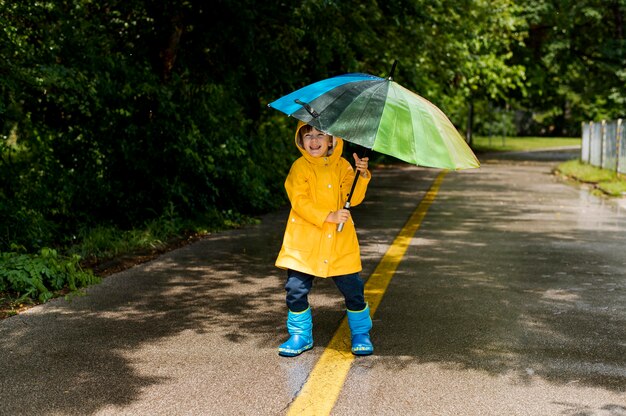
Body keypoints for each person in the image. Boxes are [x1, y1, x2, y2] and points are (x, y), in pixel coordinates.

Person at [275, 121, 373, 357]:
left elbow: (353, 197)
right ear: (301, 141)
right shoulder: (299, 167)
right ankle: (300, 335)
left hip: (339, 241)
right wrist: (328, 215)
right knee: (295, 288)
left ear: (332, 140)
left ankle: (361, 332)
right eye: (308, 135)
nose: (314, 140)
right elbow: (299, 202)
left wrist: (362, 174)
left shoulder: (343, 166)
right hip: (304, 242)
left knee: (353, 289)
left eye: (320, 135)